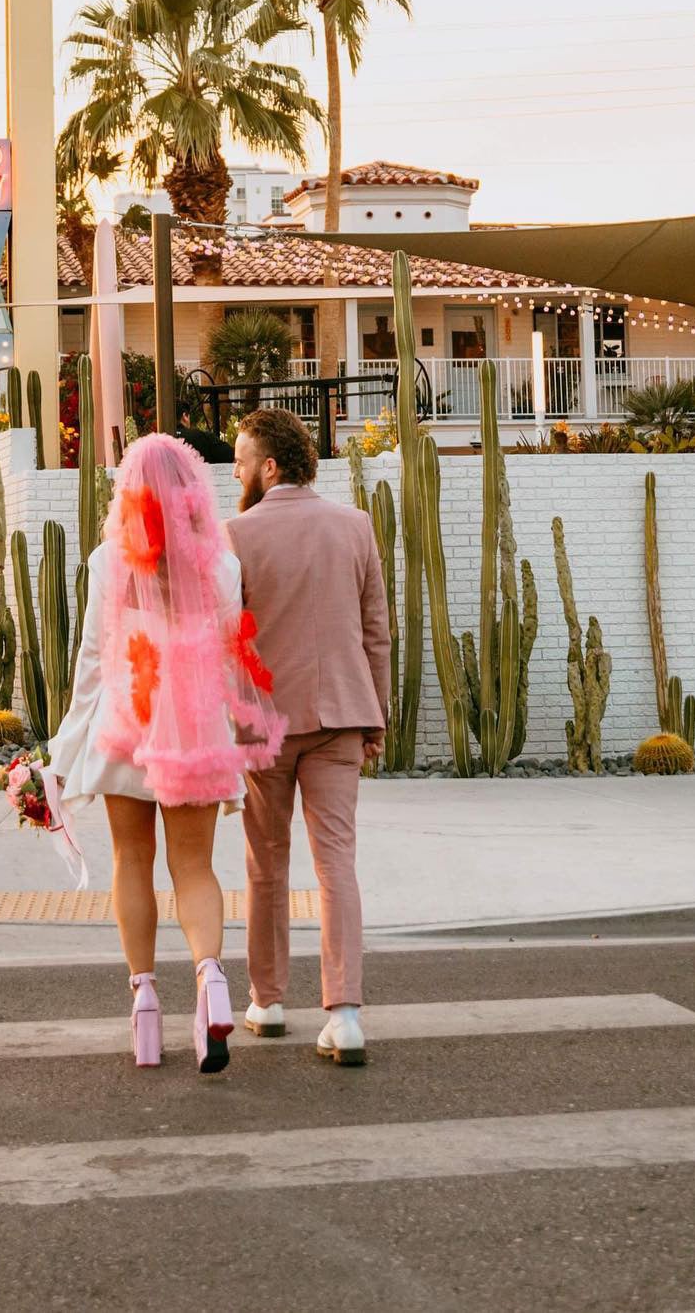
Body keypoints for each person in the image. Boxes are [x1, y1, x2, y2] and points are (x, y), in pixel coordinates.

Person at [51, 432, 285, 1074]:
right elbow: (230, 652)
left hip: (128, 721)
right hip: (196, 731)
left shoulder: (108, 562)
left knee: (132, 859)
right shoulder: (221, 565)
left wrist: (64, 752)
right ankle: (211, 980)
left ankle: (146, 1005)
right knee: (196, 869)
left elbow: (93, 665)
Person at [228, 407, 389, 1066]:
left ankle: (267, 1001)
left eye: (241, 458)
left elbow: (224, 636)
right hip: (342, 715)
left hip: (264, 722)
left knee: (267, 864)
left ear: (269, 466)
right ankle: (344, 1013)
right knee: (337, 863)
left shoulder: (234, 534)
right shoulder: (355, 526)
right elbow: (376, 629)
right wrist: (374, 715)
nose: (235, 469)